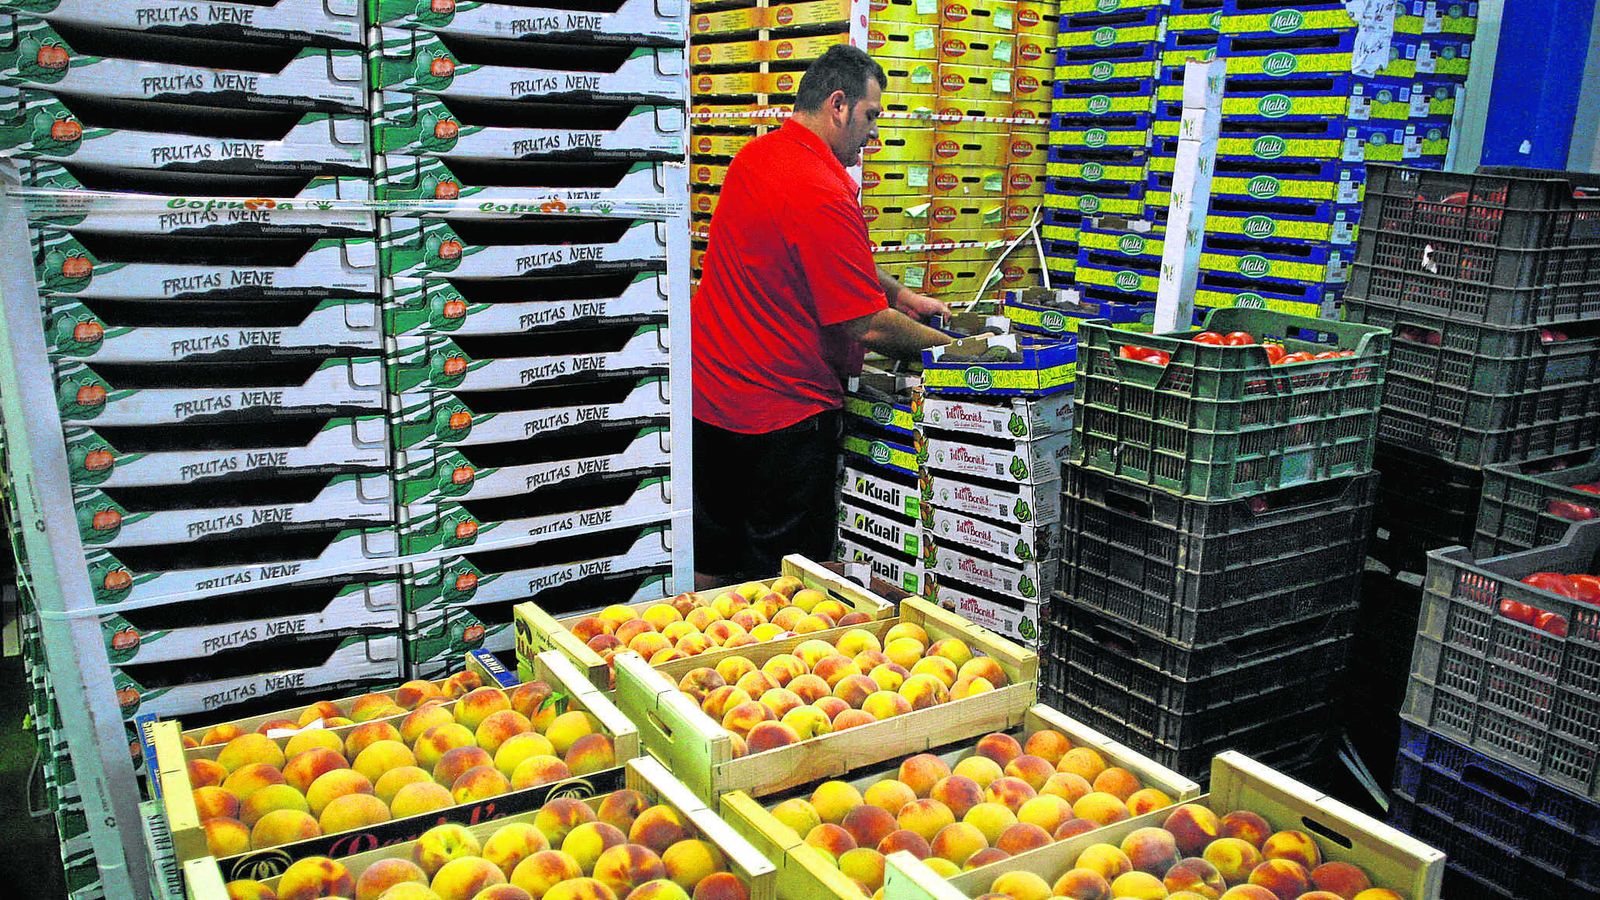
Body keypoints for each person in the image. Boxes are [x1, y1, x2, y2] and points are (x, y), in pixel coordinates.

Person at [691, 44, 953, 587]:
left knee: (712, 567)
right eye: (871, 116)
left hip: (708, 401)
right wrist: (951, 349)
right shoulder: (823, 187)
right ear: (838, 105)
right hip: (781, 419)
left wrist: (900, 294)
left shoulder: (755, 158)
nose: (874, 134)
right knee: (786, 584)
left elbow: (814, 256)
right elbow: (866, 325)